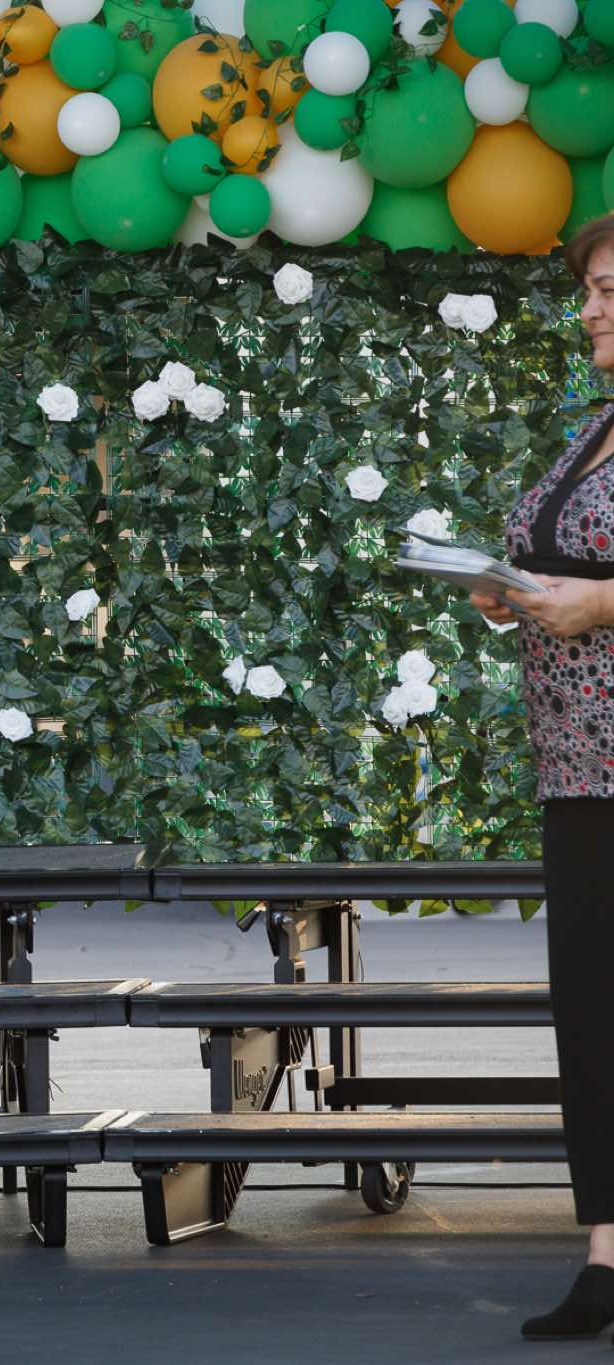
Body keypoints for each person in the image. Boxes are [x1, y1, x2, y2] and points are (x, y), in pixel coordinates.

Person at [469, 214, 614, 1344]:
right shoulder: (596, 429)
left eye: (610, 291)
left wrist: (601, 602)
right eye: (591, 292)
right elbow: (560, 556)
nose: (592, 310)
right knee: (594, 1015)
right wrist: (506, 590)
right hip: (577, 768)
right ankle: (608, 1259)